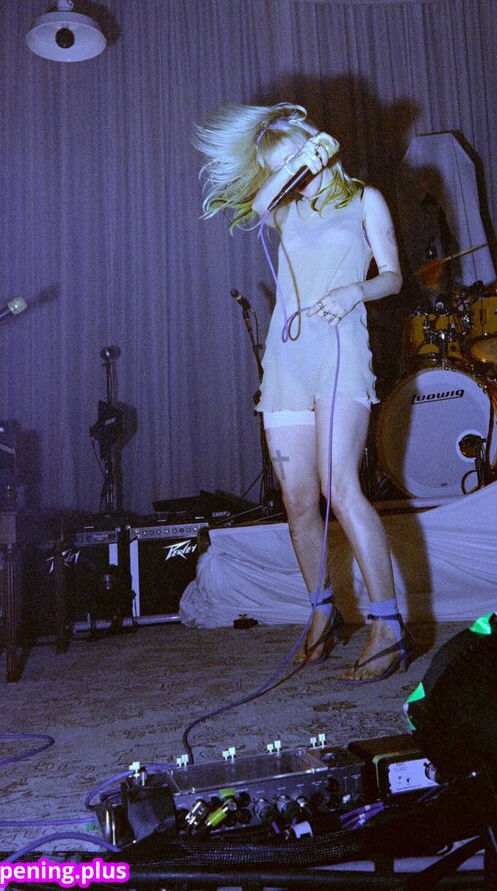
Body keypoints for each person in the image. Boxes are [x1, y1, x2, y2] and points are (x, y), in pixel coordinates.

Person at [194, 102, 410, 683]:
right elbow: (258, 206)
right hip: (287, 357)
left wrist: (354, 292)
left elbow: (393, 276)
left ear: (316, 140)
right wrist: (294, 167)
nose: (286, 169)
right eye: (276, 164)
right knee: (296, 500)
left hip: (340, 348)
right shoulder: (284, 207)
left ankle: (388, 625)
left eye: (291, 154)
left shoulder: (364, 199)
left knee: (341, 487)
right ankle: (321, 613)